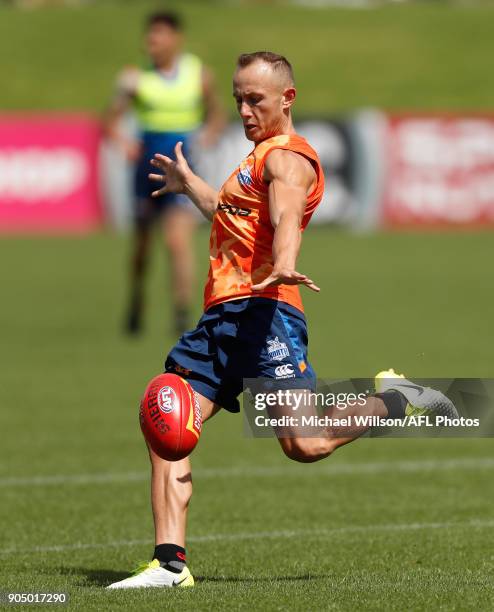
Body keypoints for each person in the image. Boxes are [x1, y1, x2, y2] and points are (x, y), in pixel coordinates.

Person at [107, 51, 458, 589]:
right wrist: (191, 184)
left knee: (304, 444)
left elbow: (285, 216)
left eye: (256, 100)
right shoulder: (253, 160)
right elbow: (234, 220)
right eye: (238, 100)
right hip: (220, 321)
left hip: (265, 314)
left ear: (286, 99)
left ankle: (396, 399)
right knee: (167, 421)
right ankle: (170, 563)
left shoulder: (287, 160)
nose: (244, 111)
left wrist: (287, 264)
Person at [105, 11, 225, 335]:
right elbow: (110, 121)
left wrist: (210, 133)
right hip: (147, 170)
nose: (152, 43)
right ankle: (137, 299)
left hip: (183, 170)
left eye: (158, 36)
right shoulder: (134, 78)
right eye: (149, 37)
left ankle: (182, 314)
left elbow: (216, 113)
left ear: (175, 38)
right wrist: (124, 142)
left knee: (177, 242)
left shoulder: (198, 74)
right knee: (143, 245)